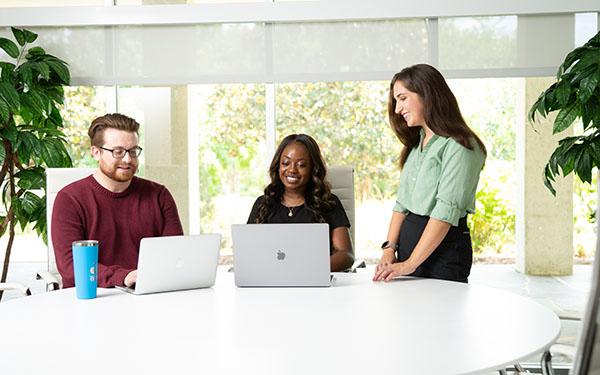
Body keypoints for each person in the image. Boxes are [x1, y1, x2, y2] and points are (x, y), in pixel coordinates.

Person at [373, 64, 486, 283]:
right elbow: (402, 204)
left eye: (403, 98)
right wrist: (389, 249)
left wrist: (409, 264)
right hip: (409, 251)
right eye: (396, 100)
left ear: (427, 93)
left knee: (438, 317)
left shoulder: (461, 145)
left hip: (443, 255)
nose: (397, 109)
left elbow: (445, 211)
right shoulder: (417, 145)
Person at [52, 113, 183, 288]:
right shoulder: (69, 199)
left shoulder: (159, 195)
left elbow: (176, 255)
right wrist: (124, 276)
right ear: (96, 152)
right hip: (92, 301)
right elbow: (71, 267)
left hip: (149, 296)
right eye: (118, 151)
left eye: (133, 151)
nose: (128, 159)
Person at [247, 134, 354, 272]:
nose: (292, 170)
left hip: (314, 284)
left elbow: (346, 255)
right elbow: (248, 252)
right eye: (285, 163)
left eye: (301, 165)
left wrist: (308, 270)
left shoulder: (328, 202)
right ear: (278, 166)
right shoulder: (263, 203)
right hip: (271, 285)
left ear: (313, 169)